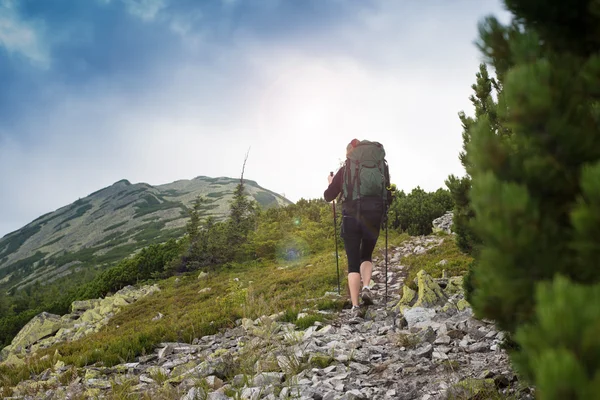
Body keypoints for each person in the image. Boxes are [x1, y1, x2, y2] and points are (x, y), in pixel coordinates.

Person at [324, 139, 392, 320]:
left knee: (353, 261)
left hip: (351, 216)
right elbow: (388, 191)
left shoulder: (346, 168)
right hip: (374, 215)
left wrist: (331, 182)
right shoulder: (380, 165)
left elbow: (328, 196)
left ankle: (355, 307)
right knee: (366, 254)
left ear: (350, 154)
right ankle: (367, 287)